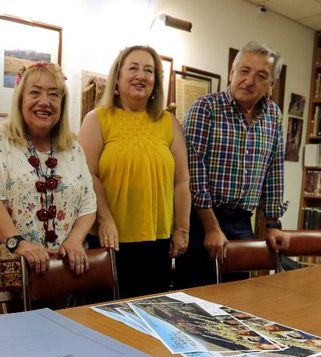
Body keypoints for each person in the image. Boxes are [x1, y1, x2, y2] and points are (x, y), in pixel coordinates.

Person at [0, 62, 96, 314]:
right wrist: (20, 244)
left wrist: (76, 240)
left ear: (62, 104)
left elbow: (88, 204)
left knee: (61, 351)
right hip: (3, 278)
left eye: (53, 94)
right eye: (35, 92)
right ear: (20, 98)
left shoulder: (73, 148)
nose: (44, 101)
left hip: (61, 275)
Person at [77, 45, 190, 298]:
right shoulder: (97, 119)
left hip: (157, 243)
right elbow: (87, 176)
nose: (141, 75)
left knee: (149, 320)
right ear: (117, 77)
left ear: (156, 82)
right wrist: (105, 219)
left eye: (149, 70)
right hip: (109, 240)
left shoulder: (168, 123)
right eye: (134, 68)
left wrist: (182, 229)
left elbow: (182, 181)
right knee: (105, 321)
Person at [176, 40, 290, 289]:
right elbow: (193, 174)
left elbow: (274, 172)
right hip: (200, 220)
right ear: (232, 72)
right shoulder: (206, 108)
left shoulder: (274, 115)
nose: (249, 81)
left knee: (236, 301)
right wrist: (211, 228)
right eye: (244, 71)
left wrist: (273, 224)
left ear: (271, 84)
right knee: (193, 303)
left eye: (261, 76)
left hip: (242, 224)